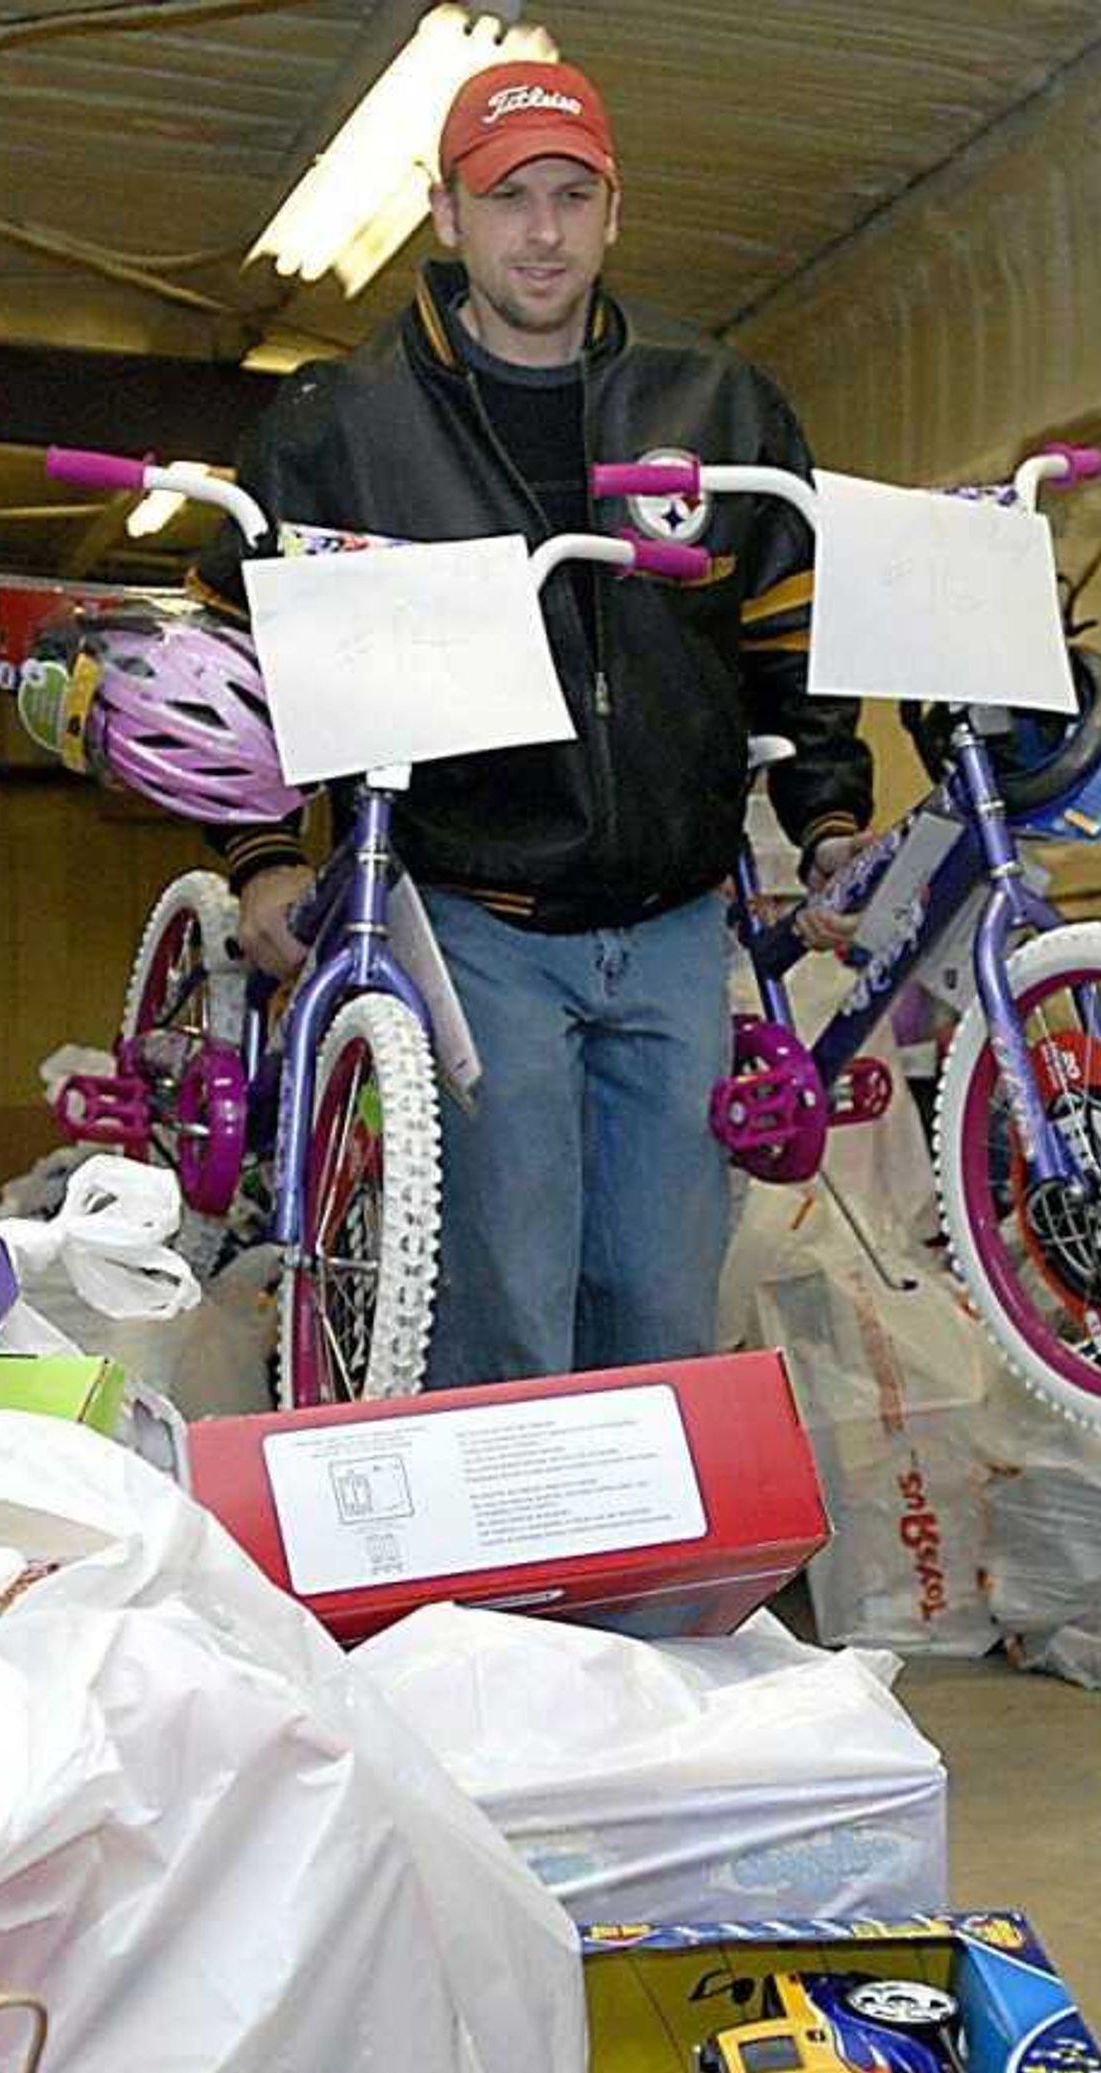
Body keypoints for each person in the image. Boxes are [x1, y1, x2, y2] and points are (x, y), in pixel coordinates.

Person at [186, 60, 873, 1389]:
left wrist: (829, 822)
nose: (542, 233)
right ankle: (501, 1597)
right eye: (508, 201)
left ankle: (656, 1607)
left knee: (665, 1305)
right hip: (471, 927)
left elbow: (794, 632)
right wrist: (263, 850)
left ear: (615, 209)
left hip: (675, 923)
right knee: (499, 1299)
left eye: (572, 196)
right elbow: (238, 655)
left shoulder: (716, 402)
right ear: (445, 215)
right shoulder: (345, 423)